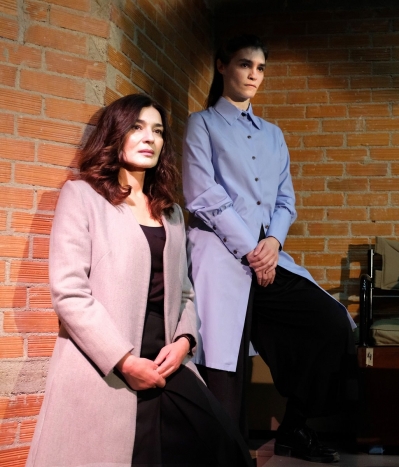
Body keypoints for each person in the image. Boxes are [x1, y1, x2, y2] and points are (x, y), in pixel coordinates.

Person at [27, 94, 253, 467]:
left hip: (166, 359)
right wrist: (125, 361)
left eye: (158, 131)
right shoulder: (82, 196)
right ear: (115, 134)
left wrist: (184, 342)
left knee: (226, 444)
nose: (150, 138)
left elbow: (185, 292)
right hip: (105, 361)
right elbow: (69, 293)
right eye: (137, 127)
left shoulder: (171, 213)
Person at [182, 35, 356, 464]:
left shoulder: (274, 135)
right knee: (224, 363)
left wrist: (273, 244)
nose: (253, 75)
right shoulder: (201, 124)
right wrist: (251, 251)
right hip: (221, 258)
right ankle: (225, 454)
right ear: (222, 66)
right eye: (245, 64)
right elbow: (203, 194)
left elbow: (285, 201)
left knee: (332, 323)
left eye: (260, 68)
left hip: (268, 258)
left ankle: (295, 427)